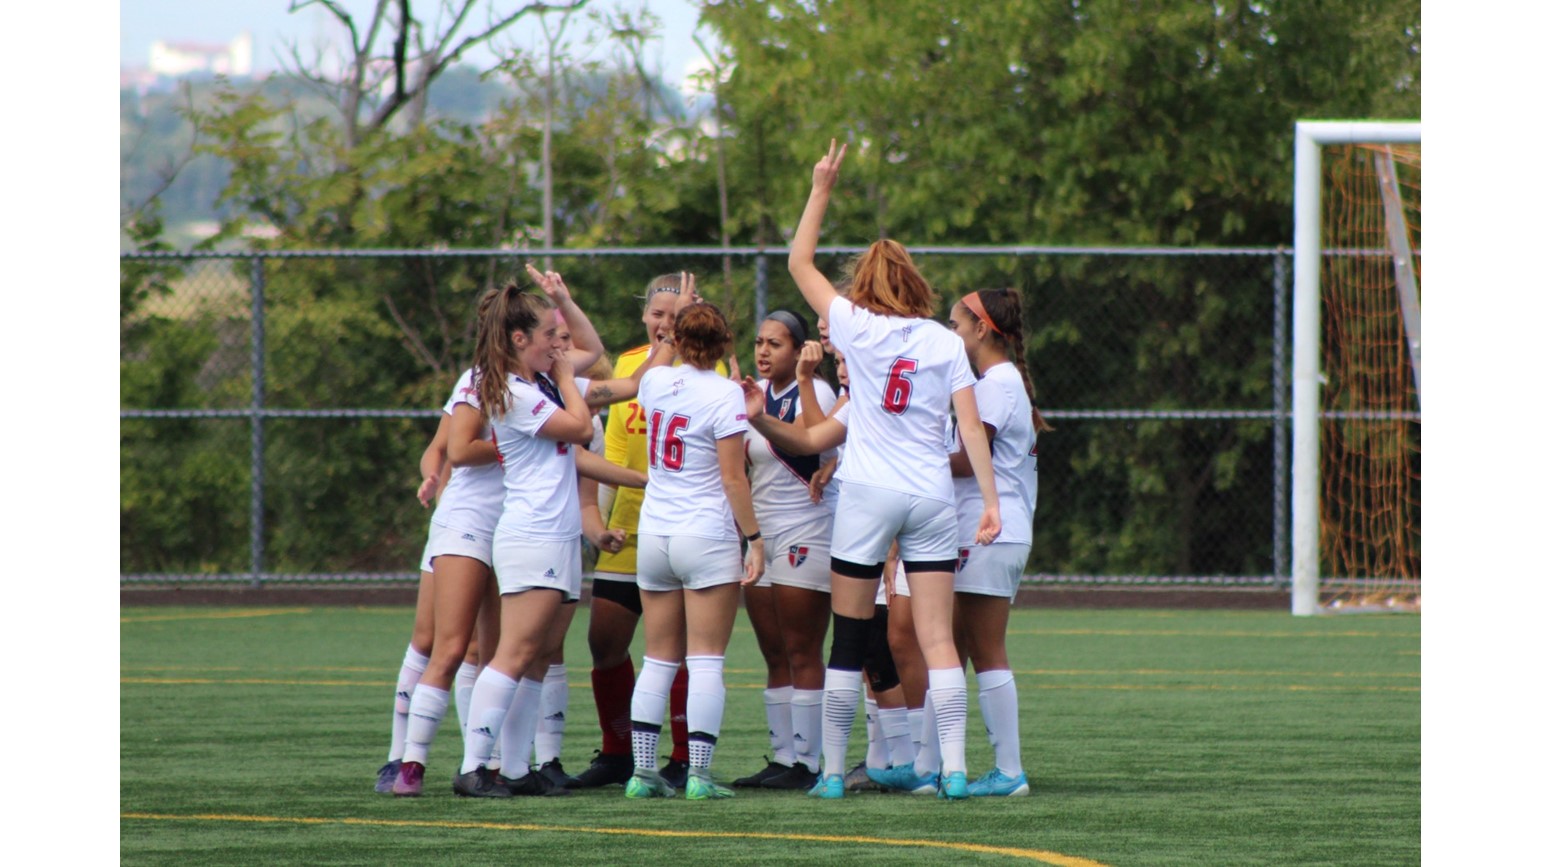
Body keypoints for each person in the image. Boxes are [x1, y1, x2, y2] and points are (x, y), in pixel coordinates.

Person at [784, 139, 1002, 801]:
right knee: (939, 639)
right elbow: (969, 426)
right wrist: (989, 501)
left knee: (849, 637)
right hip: (932, 494)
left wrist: (822, 186)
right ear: (914, 283)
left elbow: (799, 260)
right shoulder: (941, 337)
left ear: (864, 288)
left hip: (869, 494)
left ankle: (827, 772)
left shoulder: (854, 326)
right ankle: (956, 769)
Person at [393, 273, 657, 798]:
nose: (560, 347)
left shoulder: (537, 385)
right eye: (550, 338)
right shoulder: (514, 390)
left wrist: (665, 342)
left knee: (531, 652)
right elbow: (581, 429)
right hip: (528, 532)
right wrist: (564, 378)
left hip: (547, 533)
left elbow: (628, 384)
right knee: (503, 652)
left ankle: (513, 769)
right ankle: (469, 766)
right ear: (519, 341)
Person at [576, 273, 721, 791]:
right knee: (605, 643)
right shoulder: (632, 366)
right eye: (658, 313)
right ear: (645, 315)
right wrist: (598, 522)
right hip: (631, 528)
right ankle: (619, 753)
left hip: (686, 528)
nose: (665, 322)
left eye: (675, 313)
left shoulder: (712, 365)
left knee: (676, 648)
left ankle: (683, 758)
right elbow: (611, 449)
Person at [623, 300, 765, 800]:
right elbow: (733, 477)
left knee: (658, 659)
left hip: (655, 533)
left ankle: (642, 774)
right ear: (726, 345)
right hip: (703, 534)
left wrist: (672, 328)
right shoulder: (726, 392)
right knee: (705, 661)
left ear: (678, 340)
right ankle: (700, 776)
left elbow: (660, 361)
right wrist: (755, 538)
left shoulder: (656, 381)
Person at [944, 288, 1048, 797]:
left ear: (982, 330)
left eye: (957, 326)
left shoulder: (996, 384)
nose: (951, 335)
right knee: (960, 650)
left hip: (990, 531)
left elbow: (968, 458)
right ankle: (938, 764)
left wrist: (909, 458)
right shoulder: (999, 382)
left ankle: (1009, 772)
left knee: (986, 651)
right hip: (989, 531)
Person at [733, 310, 837, 791]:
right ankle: (782, 756)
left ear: (799, 350)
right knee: (773, 650)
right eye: (759, 341)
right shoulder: (753, 394)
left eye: (776, 343)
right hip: (763, 535)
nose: (763, 350)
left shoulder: (814, 390)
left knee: (801, 647)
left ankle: (808, 762)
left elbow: (821, 448)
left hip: (807, 529)